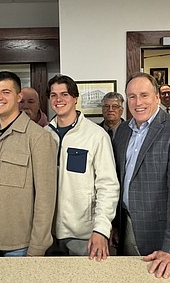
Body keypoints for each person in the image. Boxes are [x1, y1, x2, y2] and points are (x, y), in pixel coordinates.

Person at [113, 72, 170, 278]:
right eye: (131, 96)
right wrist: (114, 224)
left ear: (157, 97)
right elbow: (119, 180)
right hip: (127, 226)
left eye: (144, 95)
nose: (137, 102)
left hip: (161, 233)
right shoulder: (122, 130)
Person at [0, 71, 57, 257]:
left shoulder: (38, 138)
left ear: (18, 96)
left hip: (20, 246)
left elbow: (46, 200)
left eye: (6, 92)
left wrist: (37, 250)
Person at [45, 74, 119, 259]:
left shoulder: (96, 135)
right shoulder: (43, 136)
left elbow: (108, 186)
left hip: (84, 234)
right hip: (47, 234)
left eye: (64, 94)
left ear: (75, 98)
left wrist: (101, 230)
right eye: (53, 95)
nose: (58, 99)